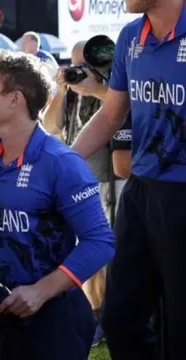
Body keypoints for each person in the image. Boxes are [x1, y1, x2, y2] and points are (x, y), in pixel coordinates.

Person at [0, 49, 115, 360]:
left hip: (54, 320)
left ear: (14, 100)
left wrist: (40, 292)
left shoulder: (60, 163)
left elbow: (100, 241)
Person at [71, 0, 186, 359]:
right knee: (119, 318)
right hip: (140, 191)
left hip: (181, 195)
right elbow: (111, 115)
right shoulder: (129, 36)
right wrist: (64, 163)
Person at [42, 38, 128, 347]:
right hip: (82, 181)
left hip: (111, 180)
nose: (82, 71)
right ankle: (94, 314)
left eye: (87, 65)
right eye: (76, 65)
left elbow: (122, 108)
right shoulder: (74, 92)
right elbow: (51, 126)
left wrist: (95, 89)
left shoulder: (113, 87)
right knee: (87, 254)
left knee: (107, 252)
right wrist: (62, 89)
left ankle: (108, 315)